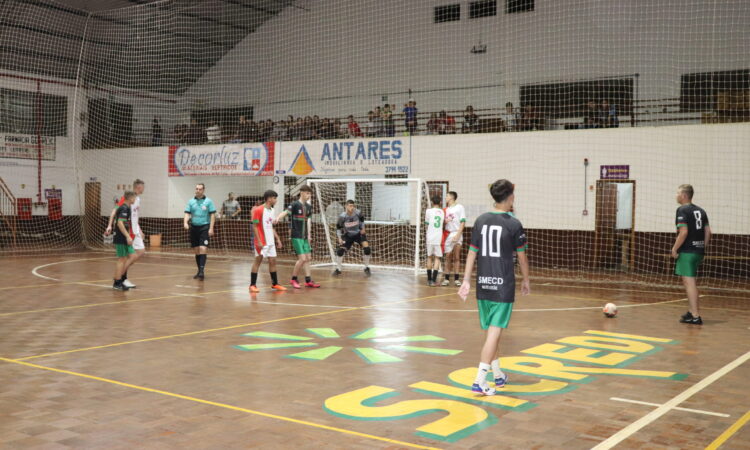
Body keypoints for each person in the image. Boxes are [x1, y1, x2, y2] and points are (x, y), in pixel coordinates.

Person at [458, 179, 530, 396]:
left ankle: (497, 375)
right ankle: (480, 380)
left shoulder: (480, 220)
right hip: (502, 285)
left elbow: (472, 252)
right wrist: (526, 279)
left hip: (483, 284)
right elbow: (522, 256)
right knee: (494, 332)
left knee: (491, 332)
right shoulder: (513, 224)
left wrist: (466, 280)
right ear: (509, 197)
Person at [672, 184, 710, 325]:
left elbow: (684, 232)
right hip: (698, 251)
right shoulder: (701, 210)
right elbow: (708, 232)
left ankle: (695, 315)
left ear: (684, 195)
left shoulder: (682, 210)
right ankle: (690, 311)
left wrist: (675, 248)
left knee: (690, 283)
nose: (676, 195)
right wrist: (702, 247)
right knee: (689, 281)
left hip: (687, 251)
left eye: (677, 193)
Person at [275, 185, 321, 288]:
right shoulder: (295, 204)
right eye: (307, 193)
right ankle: (293, 279)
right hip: (296, 235)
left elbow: (308, 221)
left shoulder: (309, 207)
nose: (309, 195)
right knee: (302, 259)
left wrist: (309, 235)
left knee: (308, 258)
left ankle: (308, 280)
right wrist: (278, 217)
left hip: (304, 237)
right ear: (301, 192)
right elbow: (286, 212)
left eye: (310, 194)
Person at [105, 179, 146, 288]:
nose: (144, 189)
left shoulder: (137, 199)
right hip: (126, 231)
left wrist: (139, 229)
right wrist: (109, 225)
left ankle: (121, 277)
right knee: (125, 257)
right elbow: (115, 212)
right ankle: (121, 279)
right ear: (138, 187)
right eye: (143, 187)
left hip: (133, 228)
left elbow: (135, 216)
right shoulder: (126, 200)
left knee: (138, 253)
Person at [250, 190, 286, 293]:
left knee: (273, 261)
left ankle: (275, 284)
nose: (276, 200)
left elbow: (271, 226)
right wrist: (259, 241)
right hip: (261, 242)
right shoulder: (258, 210)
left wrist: (277, 239)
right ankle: (252, 285)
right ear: (269, 198)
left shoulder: (272, 210)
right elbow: (255, 226)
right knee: (258, 261)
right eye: (275, 198)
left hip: (271, 242)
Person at [184, 183, 216, 280]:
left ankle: (202, 271)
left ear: (203, 190)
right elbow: (187, 213)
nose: (198, 190)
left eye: (200, 189)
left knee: (203, 248)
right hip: (194, 227)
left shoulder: (208, 201)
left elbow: (212, 215)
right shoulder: (191, 201)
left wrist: (211, 228)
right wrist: (185, 222)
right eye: (196, 189)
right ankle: (199, 270)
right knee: (197, 250)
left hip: (204, 227)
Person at [333, 200, 371, 277]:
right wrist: (339, 238)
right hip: (348, 235)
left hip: (358, 233)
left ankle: (366, 267)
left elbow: (362, 220)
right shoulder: (342, 217)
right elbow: (338, 228)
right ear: (346, 206)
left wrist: (363, 228)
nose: (352, 207)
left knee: (367, 249)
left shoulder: (358, 212)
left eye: (353, 206)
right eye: (350, 206)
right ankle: (338, 269)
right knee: (340, 251)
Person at [112, 191, 139, 291]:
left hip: (124, 236)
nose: (135, 200)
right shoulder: (123, 208)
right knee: (122, 259)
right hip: (121, 237)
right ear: (130, 198)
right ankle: (117, 282)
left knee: (133, 256)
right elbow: (119, 223)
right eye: (134, 198)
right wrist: (128, 236)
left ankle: (120, 276)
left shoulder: (127, 208)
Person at [442, 191, 466, 286]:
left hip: (457, 233)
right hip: (448, 234)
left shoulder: (460, 207)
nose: (445, 198)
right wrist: (445, 222)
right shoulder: (445, 209)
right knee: (447, 257)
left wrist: (458, 235)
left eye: (447, 196)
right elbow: (443, 223)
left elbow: (463, 222)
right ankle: (446, 278)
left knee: (456, 257)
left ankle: (456, 278)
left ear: (451, 197)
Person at [425, 196, 445, 286]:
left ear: (432, 202)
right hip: (438, 237)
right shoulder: (442, 212)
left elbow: (426, 224)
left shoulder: (428, 211)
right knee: (437, 258)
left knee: (429, 257)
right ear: (440, 202)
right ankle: (433, 280)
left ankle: (429, 280)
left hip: (430, 236)